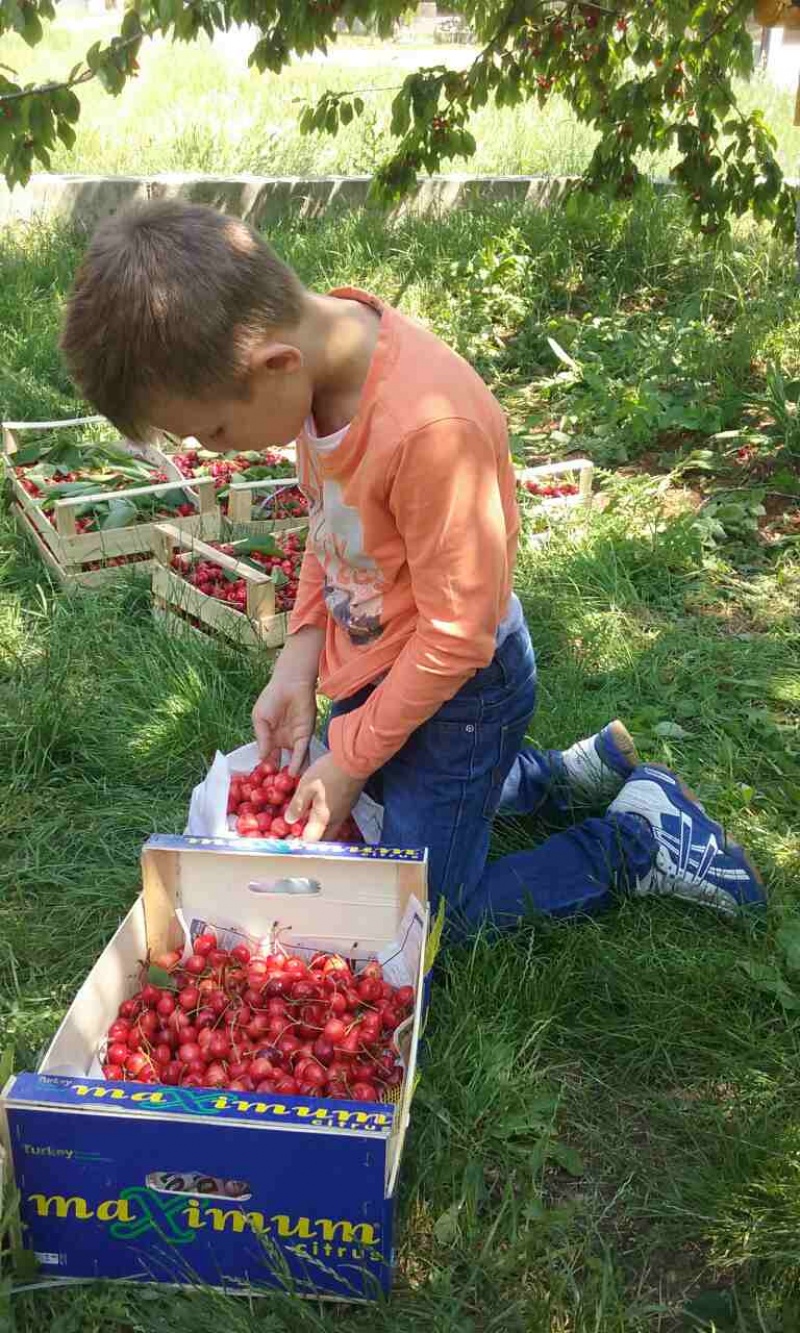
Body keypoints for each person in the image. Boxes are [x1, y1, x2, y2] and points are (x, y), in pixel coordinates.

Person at [61, 200, 765, 928]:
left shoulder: (429, 429)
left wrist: (352, 759)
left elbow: (460, 637)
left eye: (212, 431)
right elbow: (329, 523)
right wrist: (297, 662)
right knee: (395, 796)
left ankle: (641, 838)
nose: (216, 452)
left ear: (275, 364)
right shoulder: (313, 375)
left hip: (463, 690)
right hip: (384, 663)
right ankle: (546, 779)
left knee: (426, 914)